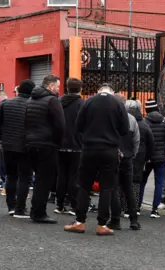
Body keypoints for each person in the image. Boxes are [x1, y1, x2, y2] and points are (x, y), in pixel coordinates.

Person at [65, 83, 128, 236]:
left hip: (89, 149)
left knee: (84, 186)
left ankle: (80, 222)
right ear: (112, 92)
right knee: (106, 187)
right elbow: (125, 129)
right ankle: (102, 225)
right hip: (110, 150)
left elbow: (78, 125)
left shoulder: (88, 102)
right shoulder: (118, 104)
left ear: (98, 91)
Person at [25, 74, 65, 224]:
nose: (57, 90)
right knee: (44, 180)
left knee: (38, 178)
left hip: (31, 143)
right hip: (47, 145)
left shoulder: (31, 99)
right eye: (56, 87)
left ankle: (35, 210)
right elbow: (60, 125)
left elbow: (26, 121)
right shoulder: (52, 101)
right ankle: (39, 212)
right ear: (50, 86)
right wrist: (58, 143)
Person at [0, 80, 35, 218]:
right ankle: (20, 208)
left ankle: (11, 206)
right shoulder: (32, 105)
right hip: (25, 146)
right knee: (24, 177)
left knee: (10, 176)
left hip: (8, 145)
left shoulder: (6, 104)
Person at [108, 93, 141, 231]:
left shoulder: (109, 118)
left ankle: (115, 220)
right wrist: (132, 154)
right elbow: (136, 140)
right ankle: (134, 220)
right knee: (129, 189)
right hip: (127, 157)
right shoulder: (132, 119)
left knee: (113, 188)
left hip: (113, 156)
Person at [54, 78, 84, 216]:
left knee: (62, 175)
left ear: (66, 88)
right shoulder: (82, 104)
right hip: (76, 144)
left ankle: (59, 204)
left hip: (60, 143)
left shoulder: (59, 102)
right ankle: (73, 204)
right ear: (80, 89)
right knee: (74, 176)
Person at [141, 99, 165, 218]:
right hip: (161, 158)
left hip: (147, 158)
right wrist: (163, 151)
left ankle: (138, 207)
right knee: (159, 183)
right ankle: (154, 210)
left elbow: (142, 140)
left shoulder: (144, 122)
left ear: (146, 109)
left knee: (142, 182)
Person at [127, 100, 154, 214]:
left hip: (126, 155)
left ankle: (123, 207)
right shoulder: (144, 124)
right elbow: (151, 143)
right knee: (136, 182)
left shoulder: (125, 122)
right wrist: (146, 158)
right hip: (140, 157)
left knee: (123, 181)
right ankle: (135, 207)